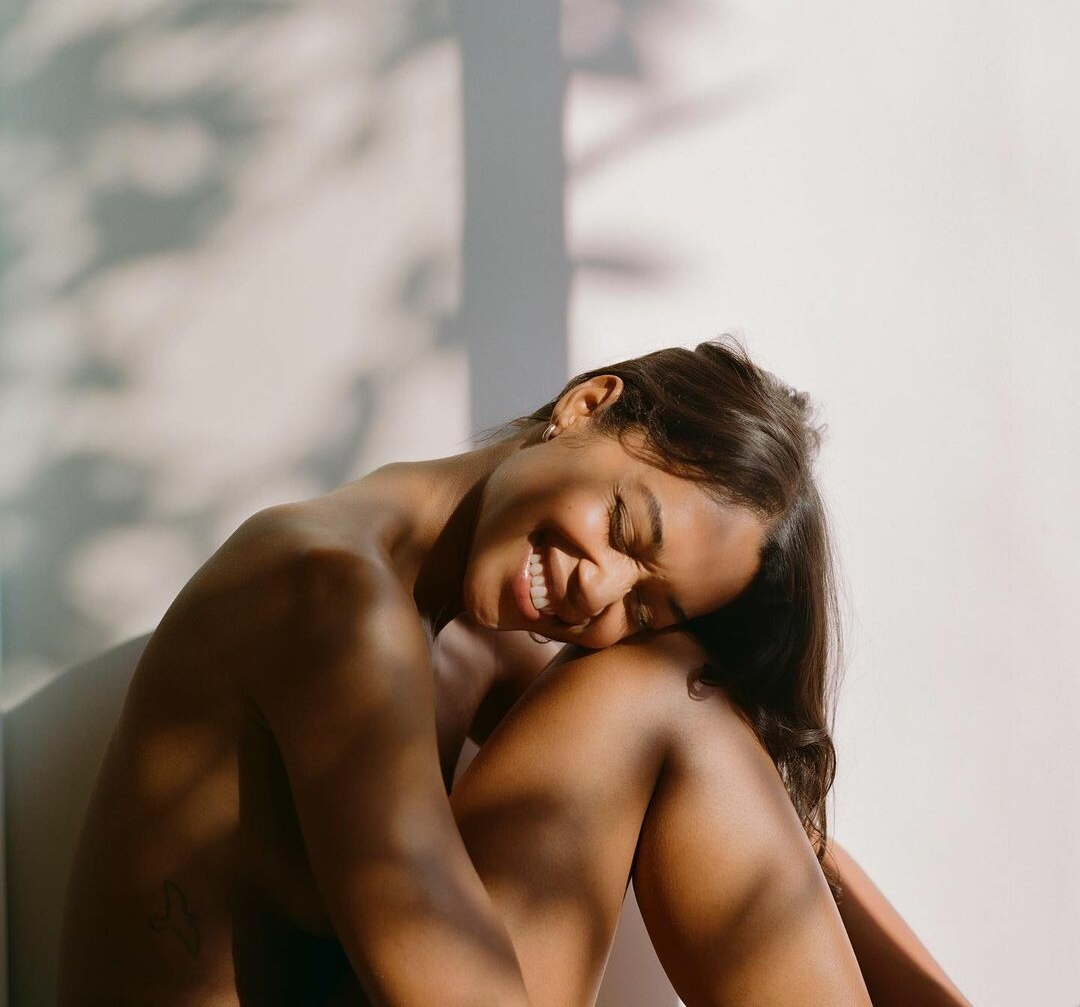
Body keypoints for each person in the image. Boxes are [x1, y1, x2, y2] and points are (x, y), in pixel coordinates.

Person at [57, 338, 971, 1006]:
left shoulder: (477, 637)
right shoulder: (327, 593)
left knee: (678, 686)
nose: (598, 590)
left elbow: (768, 817)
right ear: (587, 405)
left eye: (646, 604)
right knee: (659, 689)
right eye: (626, 529)